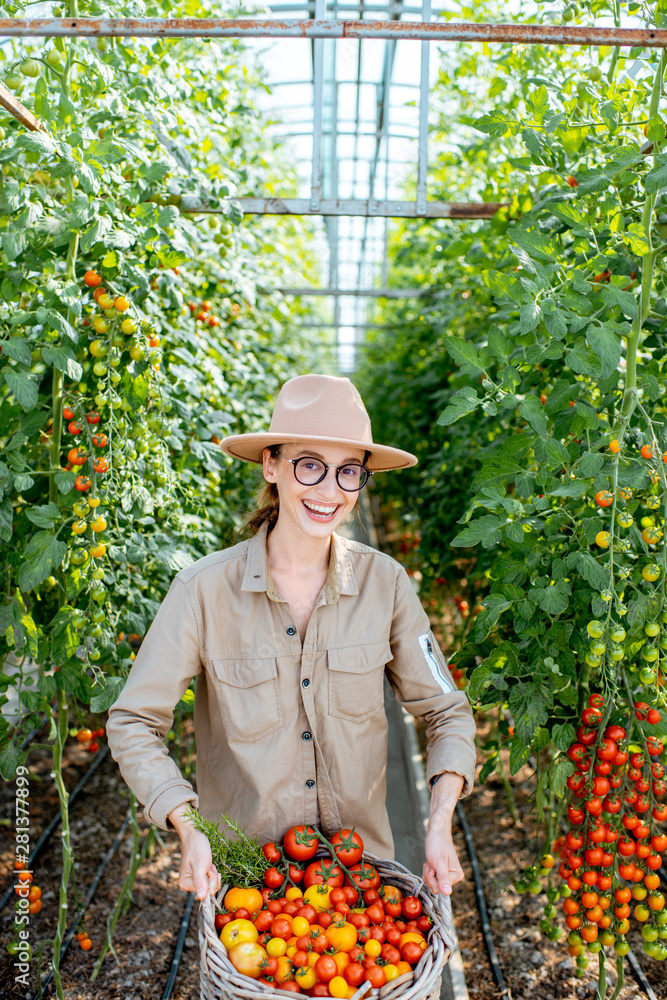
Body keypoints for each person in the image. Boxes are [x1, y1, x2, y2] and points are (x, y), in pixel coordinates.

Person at [106, 374, 476, 904]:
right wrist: (187, 827)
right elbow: (134, 722)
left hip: (363, 886)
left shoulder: (386, 585)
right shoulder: (203, 591)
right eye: (310, 466)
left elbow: (448, 712)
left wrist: (440, 823)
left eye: (349, 472)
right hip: (246, 889)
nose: (329, 491)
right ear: (271, 465)